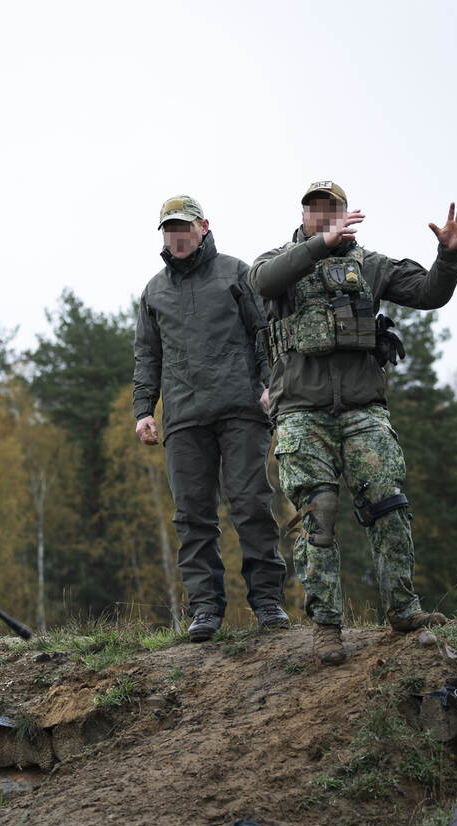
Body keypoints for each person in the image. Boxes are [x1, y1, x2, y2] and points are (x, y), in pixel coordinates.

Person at [249, 181, 457, 665]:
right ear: (303, 216)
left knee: (388, 506)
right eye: (315, 210)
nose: (325, 217)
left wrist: (448, 257)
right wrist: (317, 248)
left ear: (348, 214)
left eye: (333, 210)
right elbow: (261, 283)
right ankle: (327, 626)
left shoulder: (370, 265)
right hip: (302, 412)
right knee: (318, 515)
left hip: (363, 408)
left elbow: (430, 292)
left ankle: (403, 609)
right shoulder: (277, 261)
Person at [133, 195, 289, 642]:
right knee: (192, 517)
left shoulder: (237, 273)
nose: (176, 236)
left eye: (183, 227)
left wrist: (268, 385)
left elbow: (264, 334)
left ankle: (267, 602)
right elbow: (147, 355)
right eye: (168, 229)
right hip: (183, 417)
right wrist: (144, 409)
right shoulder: (153, 291)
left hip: (241, 409)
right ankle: (204, 609)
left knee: (251, 504)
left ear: (203, 226)